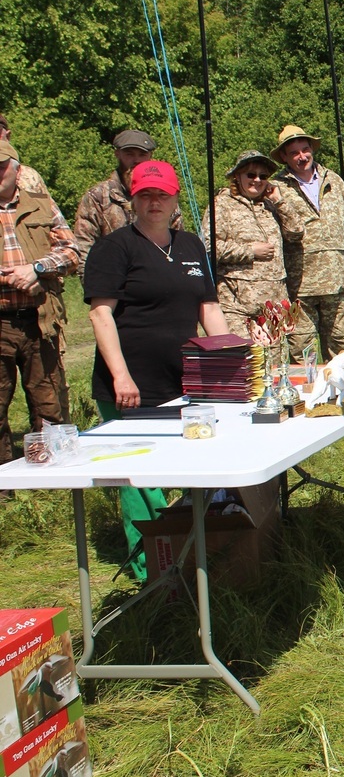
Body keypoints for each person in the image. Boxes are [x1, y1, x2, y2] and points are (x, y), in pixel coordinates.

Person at [83, 159, 229, 581]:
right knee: (139, 479)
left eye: (161, 195)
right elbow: (100, 316)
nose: (153, 203)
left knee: (188, 466)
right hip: (131, 386)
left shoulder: (190, 247)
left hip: (184, 383)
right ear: (132, 199)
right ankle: (151, 568)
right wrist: (120, 376)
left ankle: (196, 551)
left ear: (174, 199)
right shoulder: (114, 248)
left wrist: (227, 362)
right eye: (145, 195)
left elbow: (210, 309)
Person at [0, 139, 79, 460]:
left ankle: (49, 473)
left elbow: (72, 252)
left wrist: (37, 270)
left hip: (39, 320)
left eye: (1, 165)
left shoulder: (40, 204)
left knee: (48, 404)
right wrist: (11, 277)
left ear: (17, 170)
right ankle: (5, 486)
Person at [269, 125, 344, 362]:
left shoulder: (333, 180)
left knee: (342, 349)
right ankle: (307, 397)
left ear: (312, 149)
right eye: (294, 153)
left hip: (336, 279)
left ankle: (343, 396)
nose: (302, 157)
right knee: (301, 351)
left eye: (305, 150)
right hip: (300, 283)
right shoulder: (276, 187)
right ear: (284, 156)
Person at [203, 150, 302, 340]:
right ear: (237, 176)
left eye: (263, 176)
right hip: (237, 306)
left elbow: (296, 233)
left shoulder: (271, 205)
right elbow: (209, 246)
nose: (257, 180)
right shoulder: (221, 205)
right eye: (250, 175)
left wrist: (279, 201)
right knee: (243, 362)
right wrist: (250, 251)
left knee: (276, 364)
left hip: (274, 303)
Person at [72, 129, 183, 275]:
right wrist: (94, 288)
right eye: (129, 154)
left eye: (142, 154)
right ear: (117, 154)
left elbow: (178, 244)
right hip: (112, 281)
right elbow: (83, 245)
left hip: (158, 281)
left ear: (150, 156)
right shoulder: (98, 196)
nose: (136, 160)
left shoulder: (164, 196)